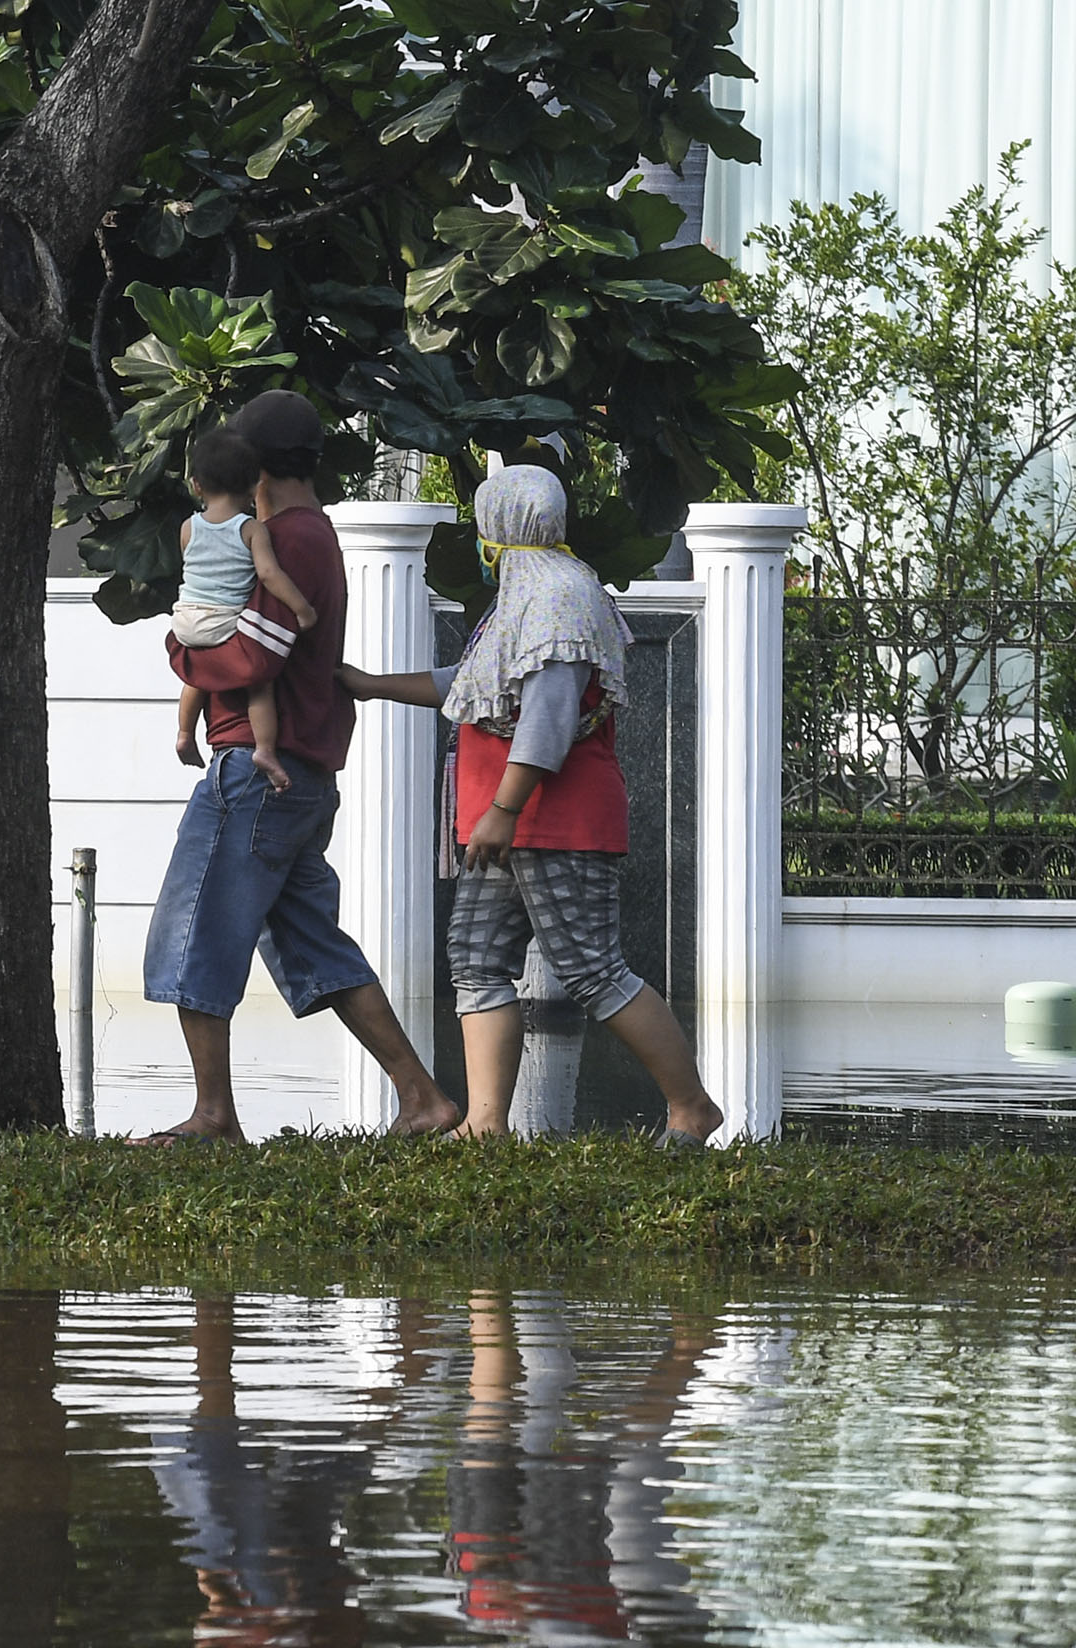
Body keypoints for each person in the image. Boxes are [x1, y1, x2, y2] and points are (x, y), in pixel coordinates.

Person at [340, 463, 724, 1144]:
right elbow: (476, 684)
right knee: (477, 958)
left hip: (550, 820)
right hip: (506, 822)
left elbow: (547, 714)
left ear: (499, 526)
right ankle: (486, 1124)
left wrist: (505, 808)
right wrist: (372, 684)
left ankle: (691, 1106)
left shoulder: (557, 596)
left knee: (591, 969)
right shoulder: (528, 593)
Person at [139, 388, 462, 1143]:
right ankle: (424, 1098)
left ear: (251, 468)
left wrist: (178, 650)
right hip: (303, 778)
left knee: (194, 931)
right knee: (315, 944)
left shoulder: (284, 537)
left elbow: (255, 650)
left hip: (256, 777)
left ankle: (214, 1116)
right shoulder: (310, 533)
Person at [171, 424, 319, 794]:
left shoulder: (188, 527)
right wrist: (302, 610)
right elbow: (269, 575)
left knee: (197, 677)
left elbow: (191, 569)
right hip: (224, 621)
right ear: (255, 487)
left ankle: (185, 733)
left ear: (196, 485)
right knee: (259, 683)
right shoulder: (250, 529)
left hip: (185, 621)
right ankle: (265, 751)